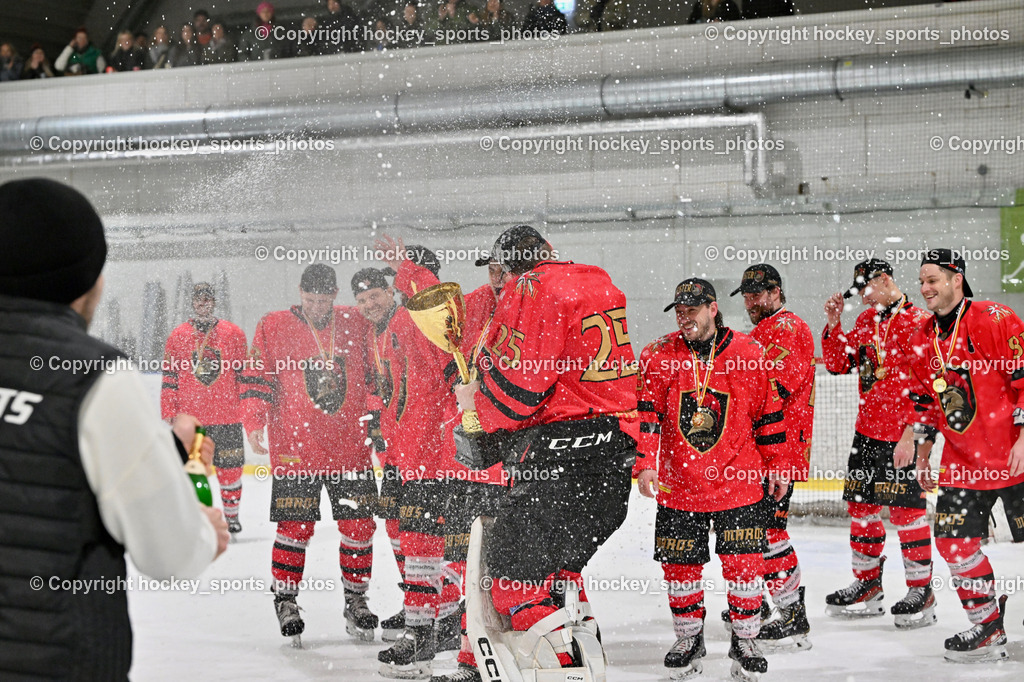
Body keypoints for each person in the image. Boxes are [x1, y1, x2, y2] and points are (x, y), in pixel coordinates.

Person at [0, 177, 227, 680]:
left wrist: (162, 449)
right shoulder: (93, 376)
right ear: (91, 281)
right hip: (54, 661)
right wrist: (202, 533)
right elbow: (169, 554)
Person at [454, 225, 639, 674]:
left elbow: (521, 390)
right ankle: (572, 655)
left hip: (557, 463)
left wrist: (476, 407)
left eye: (499, 269)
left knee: (510, 580)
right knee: (560, 577)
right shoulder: (596, 279)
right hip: (610, 460)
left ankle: (554, 667)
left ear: (511, 264)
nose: (496, 280)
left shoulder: (533, 287)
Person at [635, 278, 787, 680]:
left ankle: (746, 638)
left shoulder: (749, 353)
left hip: (740, 483)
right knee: (679, 568)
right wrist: (645, 463)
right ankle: (689, 637)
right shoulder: (659, 354)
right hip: (679, 486)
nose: (685, 319)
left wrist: (779, 465)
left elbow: (770, 415)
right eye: (679, 312)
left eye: (692, 311)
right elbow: (647, 415)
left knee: (744, 567)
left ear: (713, 308)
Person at [372, 236, 508, 682]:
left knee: (460, 552)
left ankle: (459, 635)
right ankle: (420, 634)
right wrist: (391, 442)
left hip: (452, 450)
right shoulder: (403, 322)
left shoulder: (469, 307)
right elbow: (401, 393)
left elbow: (435, 311)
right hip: (418, 451)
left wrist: (408, 266)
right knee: (418, 545)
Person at [894, 249, 1024, 661]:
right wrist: (923, 452)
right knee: (953, 542)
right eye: (921, 281)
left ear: (957, 278)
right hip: (963, 463)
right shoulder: (921, 336)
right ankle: (986, 626)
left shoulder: (993, 318)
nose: (925, 288)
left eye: (933, 279)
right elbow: (926, 403)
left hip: (1013, 456)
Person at [242, 264, 379, 644]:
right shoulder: (273, 325)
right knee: (294, 530)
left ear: (336, 294)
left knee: (359, 528)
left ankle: (356, 600)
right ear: (300, 293)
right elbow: (257, 376)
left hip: (350, 450)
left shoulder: (355, 321)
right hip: (295, 452)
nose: (318, 307)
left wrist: (375, 412)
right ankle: (285, 599)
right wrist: (253, 418)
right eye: (311, 300)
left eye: (324, 300)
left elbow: (374, 374)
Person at [350, 251, 470, 678]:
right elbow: (391, 388)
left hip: (438, 451)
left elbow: (452, 378)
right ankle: (423, 617)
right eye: (361, 299)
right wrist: (385, 430)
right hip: (408, 449)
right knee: (410, 534)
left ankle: (443, 620)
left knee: (439, 538)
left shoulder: (427, 317)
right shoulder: (388, 328)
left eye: (390, 286)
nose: (371, 304)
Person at [822, 259, 937, 628]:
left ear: (885, 279)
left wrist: (910, 434)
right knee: (861, 510)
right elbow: (839, 365)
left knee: (907, 515)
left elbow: (929, 386)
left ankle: (922, 589)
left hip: (902, 435)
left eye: (867, 289)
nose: (864, 298)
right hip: (867, 432)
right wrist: (834, 323)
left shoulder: (919, 321)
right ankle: (867, 585)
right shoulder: (863, 322)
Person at [725, 264, 814, 651]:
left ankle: (792, 614)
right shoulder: (766, 331)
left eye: (757, 294)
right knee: (754, 532)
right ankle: (756, 604)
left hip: (779, 452)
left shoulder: (787, 329)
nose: (750, 302)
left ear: (777, 293)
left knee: (770, 533)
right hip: (763, 451)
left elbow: (769, 387)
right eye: (745, 295)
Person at [162, 283, 250, 535]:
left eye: (207, 300)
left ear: (214, 302)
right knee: (195, 472)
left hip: (228, 416)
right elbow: (170, 376)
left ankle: (232, 518)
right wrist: (169, 409)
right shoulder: (178, 336)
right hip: (193, 420)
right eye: (198, 300)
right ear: (192, 303)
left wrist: (248, 409)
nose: (203, 304)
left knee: (230, 470)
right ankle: (198, 518)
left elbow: (243, 374)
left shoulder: (233, 333)